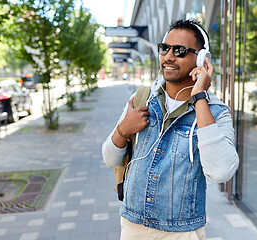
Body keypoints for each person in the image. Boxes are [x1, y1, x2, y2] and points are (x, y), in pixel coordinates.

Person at [102, 19, 239, 240]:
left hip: (181, 233)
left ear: (202, 58)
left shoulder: (216, 112)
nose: (169, 56)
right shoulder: (141, 99)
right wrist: (123, 130)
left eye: (180, 50)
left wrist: (199, 98)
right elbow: (109, 158)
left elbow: (222, 171)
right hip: (131, 226)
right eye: (165, 48)